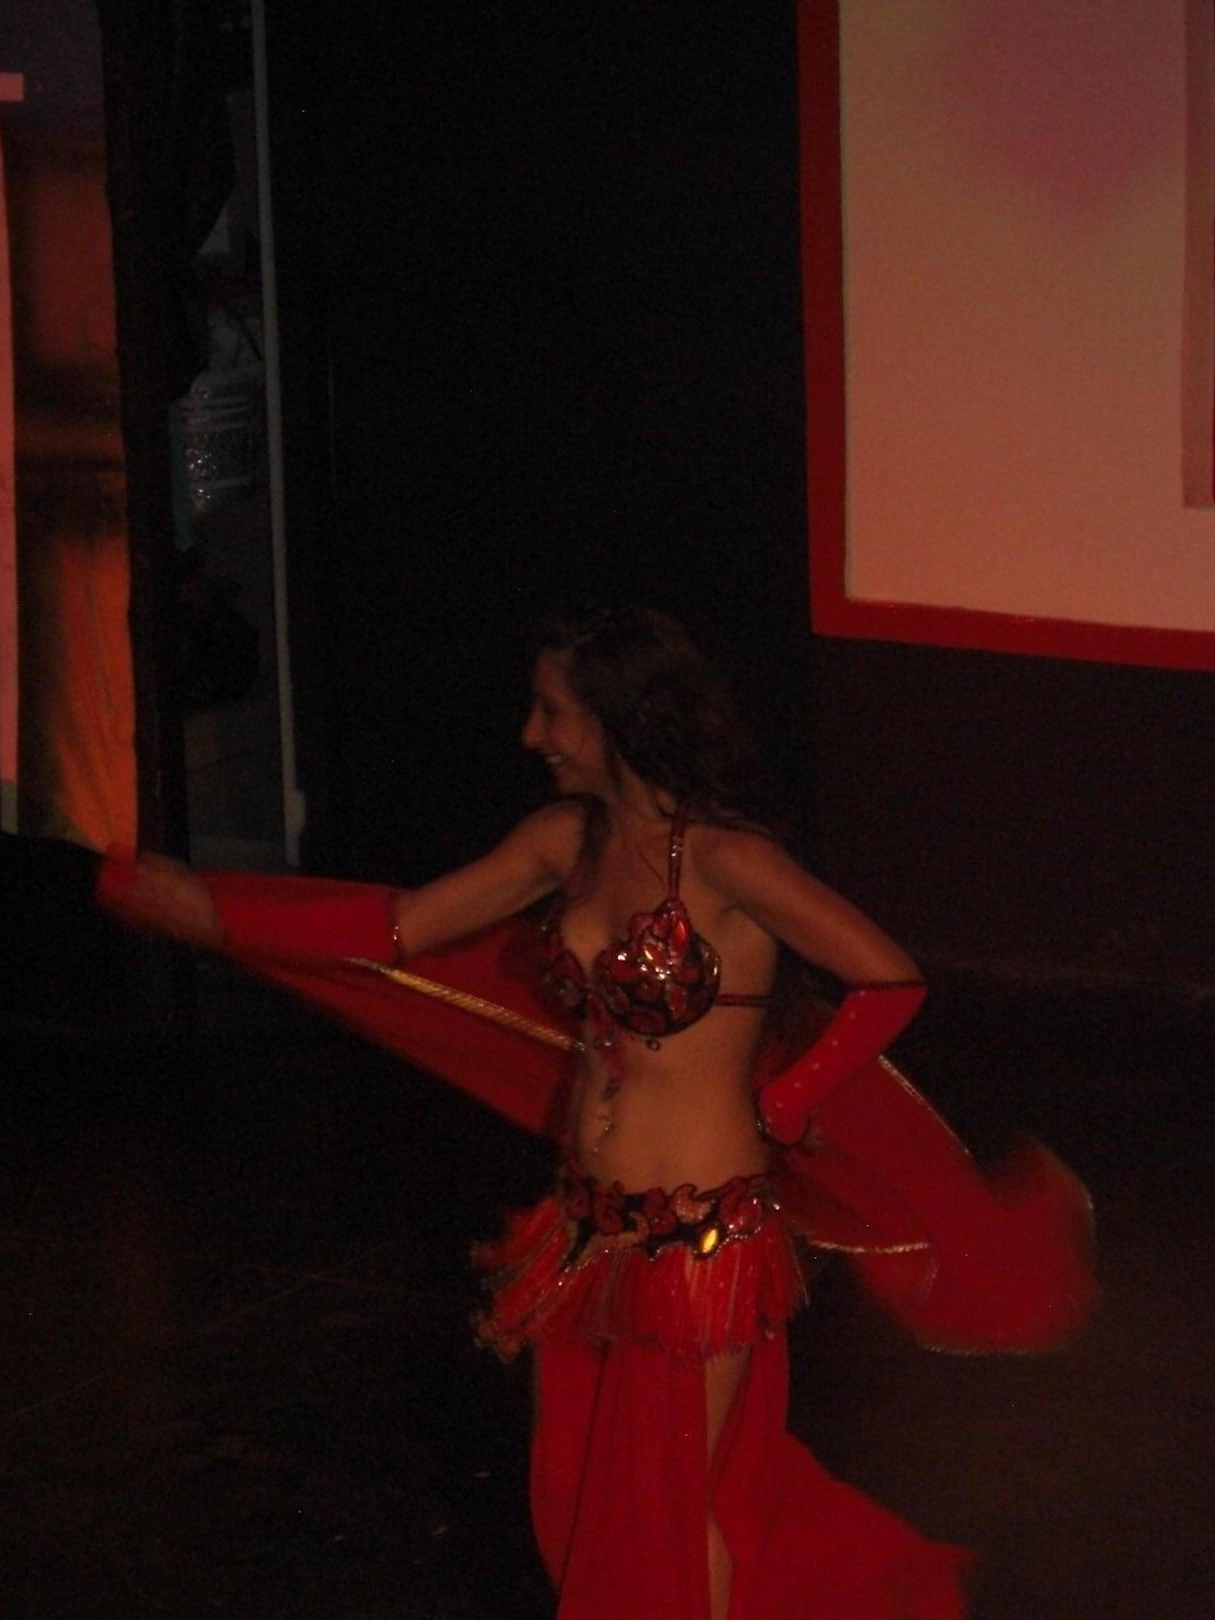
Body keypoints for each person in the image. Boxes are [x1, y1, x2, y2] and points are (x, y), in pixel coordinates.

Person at [101, 607, 1090, 1620]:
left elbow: (888, 978)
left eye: (552, 711)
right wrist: (224, 916)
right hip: (584, 1230)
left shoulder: (727, 862)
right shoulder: (565, 842)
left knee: (672, 1501)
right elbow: (400, 927)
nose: (532, 734)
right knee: (575, 1494)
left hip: (700, 1239)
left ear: (619, 718)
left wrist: (791, 1097)